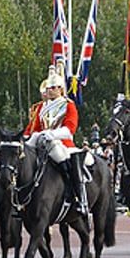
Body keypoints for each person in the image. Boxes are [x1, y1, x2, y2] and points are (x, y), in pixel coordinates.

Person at [25, 63, 88, 221]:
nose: (49, 90)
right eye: (48, 88)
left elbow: (69, 129)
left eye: (53, 88)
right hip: (44, 143)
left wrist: (51, 134)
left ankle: (78, 196)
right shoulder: (41, 108)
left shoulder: (68, 105)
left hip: (63, 144)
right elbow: (36, 128)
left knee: (60, 154)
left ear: (61, 89)